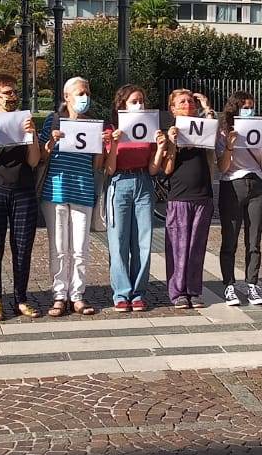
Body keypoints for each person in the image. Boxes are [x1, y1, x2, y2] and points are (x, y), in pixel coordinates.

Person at [0, 75, 42, 320]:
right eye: (7, 93)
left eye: (15, 92)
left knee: (23, 247)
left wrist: (33, 136)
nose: (13, 97)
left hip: (23, 190)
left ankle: (21, 298)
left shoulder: (25, 120)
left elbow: (34, 161)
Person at [39, 77, 105, 317]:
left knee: (80, 248)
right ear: (66, 97)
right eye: (79, 93)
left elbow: (98, 165)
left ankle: (77, 295)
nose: (84, 97)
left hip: (83, 190)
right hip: (55, 191)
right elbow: (40, 157)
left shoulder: (93, 125)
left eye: (86, 92)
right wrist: (50, 142)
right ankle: (59, 295)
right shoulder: (52, 121)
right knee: (58, 247)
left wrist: (102, 146)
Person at [104, 85, 167, 313]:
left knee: (143, 240)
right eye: (133, 101)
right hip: (120, 183)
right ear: (122, 104)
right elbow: (109, 169)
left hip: (143, 182)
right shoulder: (113, 130)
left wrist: (160, 148)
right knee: (118, 240)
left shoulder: (148, 129)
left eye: (141, 100)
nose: (139, 105)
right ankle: (121, 292)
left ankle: (138, 292)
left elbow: (152, 169)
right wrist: (114, 144)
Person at [158, 89, 218, 308]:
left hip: (203, 194)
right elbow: (166, 169)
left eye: (190, 102)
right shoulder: (169, 132)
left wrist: (206, 107)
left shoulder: (202, 128)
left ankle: (194, 290)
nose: (188, 105)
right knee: (178, 246)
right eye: (182, 102)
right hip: (180, 196)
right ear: (173, 108)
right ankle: (177, 291)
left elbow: (214, 135)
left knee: (196, 246)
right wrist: (171, 143)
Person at [217, 91, 262, 305]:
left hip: (257, 183)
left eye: (251, 106)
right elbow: (221, 168)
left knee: (254, 240)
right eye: (244, 106)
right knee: (230, 238)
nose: (249, 110)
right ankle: (229, 284)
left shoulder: (260, 128)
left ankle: (252, 284)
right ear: (234, 108)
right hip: (232, 184)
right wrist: (230, 145)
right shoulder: (224, 131)